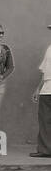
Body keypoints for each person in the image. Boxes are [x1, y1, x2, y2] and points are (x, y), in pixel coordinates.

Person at [34, 23, 51, 158]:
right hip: (46, 89)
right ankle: (45, 150)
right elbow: (45, 71)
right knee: (45, 121)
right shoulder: (49, 48)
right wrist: (37, 88)